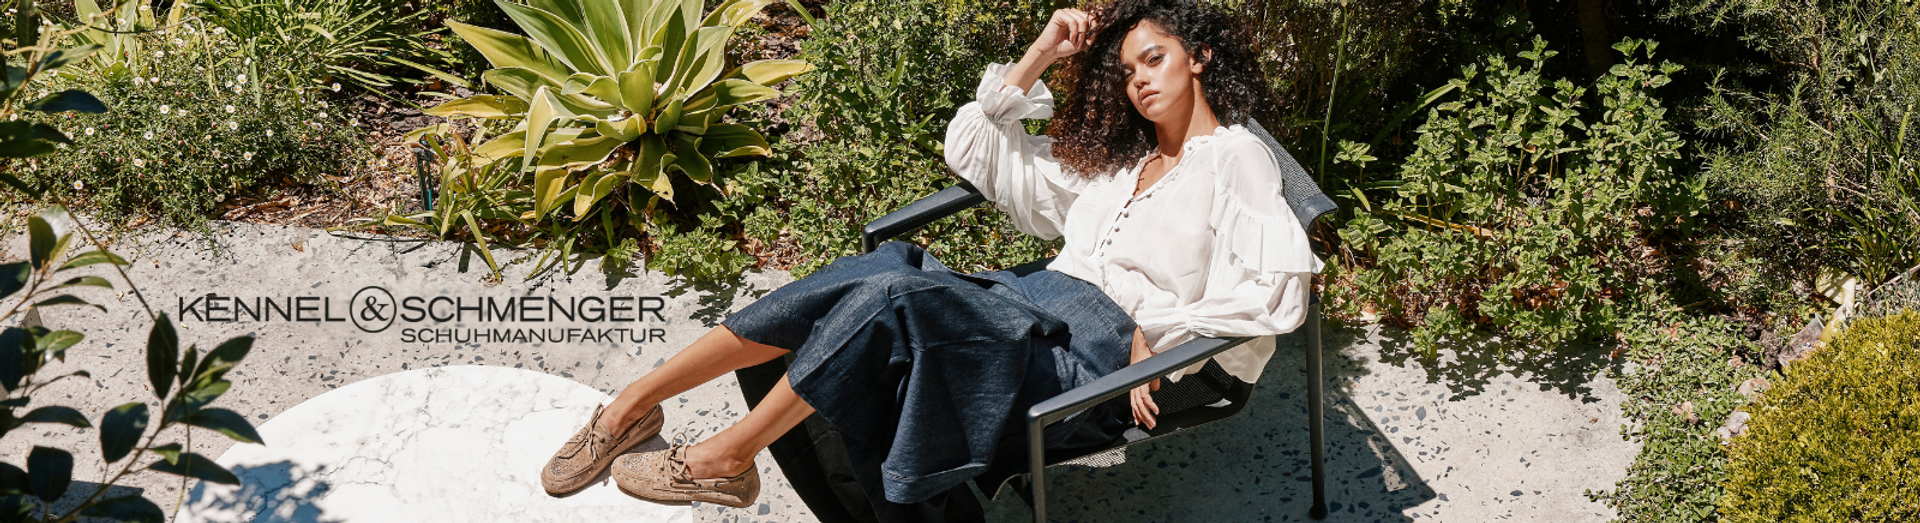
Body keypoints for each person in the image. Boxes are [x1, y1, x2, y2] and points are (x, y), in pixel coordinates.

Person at [539, 0, 1321, 515]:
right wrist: (1043, 50)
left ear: (1200, 57)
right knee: (881, 271)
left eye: (1154, 59)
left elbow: (1278, 288)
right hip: (1023, 308)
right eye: (1127, 70)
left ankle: (724, 455)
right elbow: (977, 147)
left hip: (1088, 360)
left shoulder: (1234, 158)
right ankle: (629, 408)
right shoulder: (1120, 165)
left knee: (890, 301)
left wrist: (1162, 340)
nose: (1139, 80)